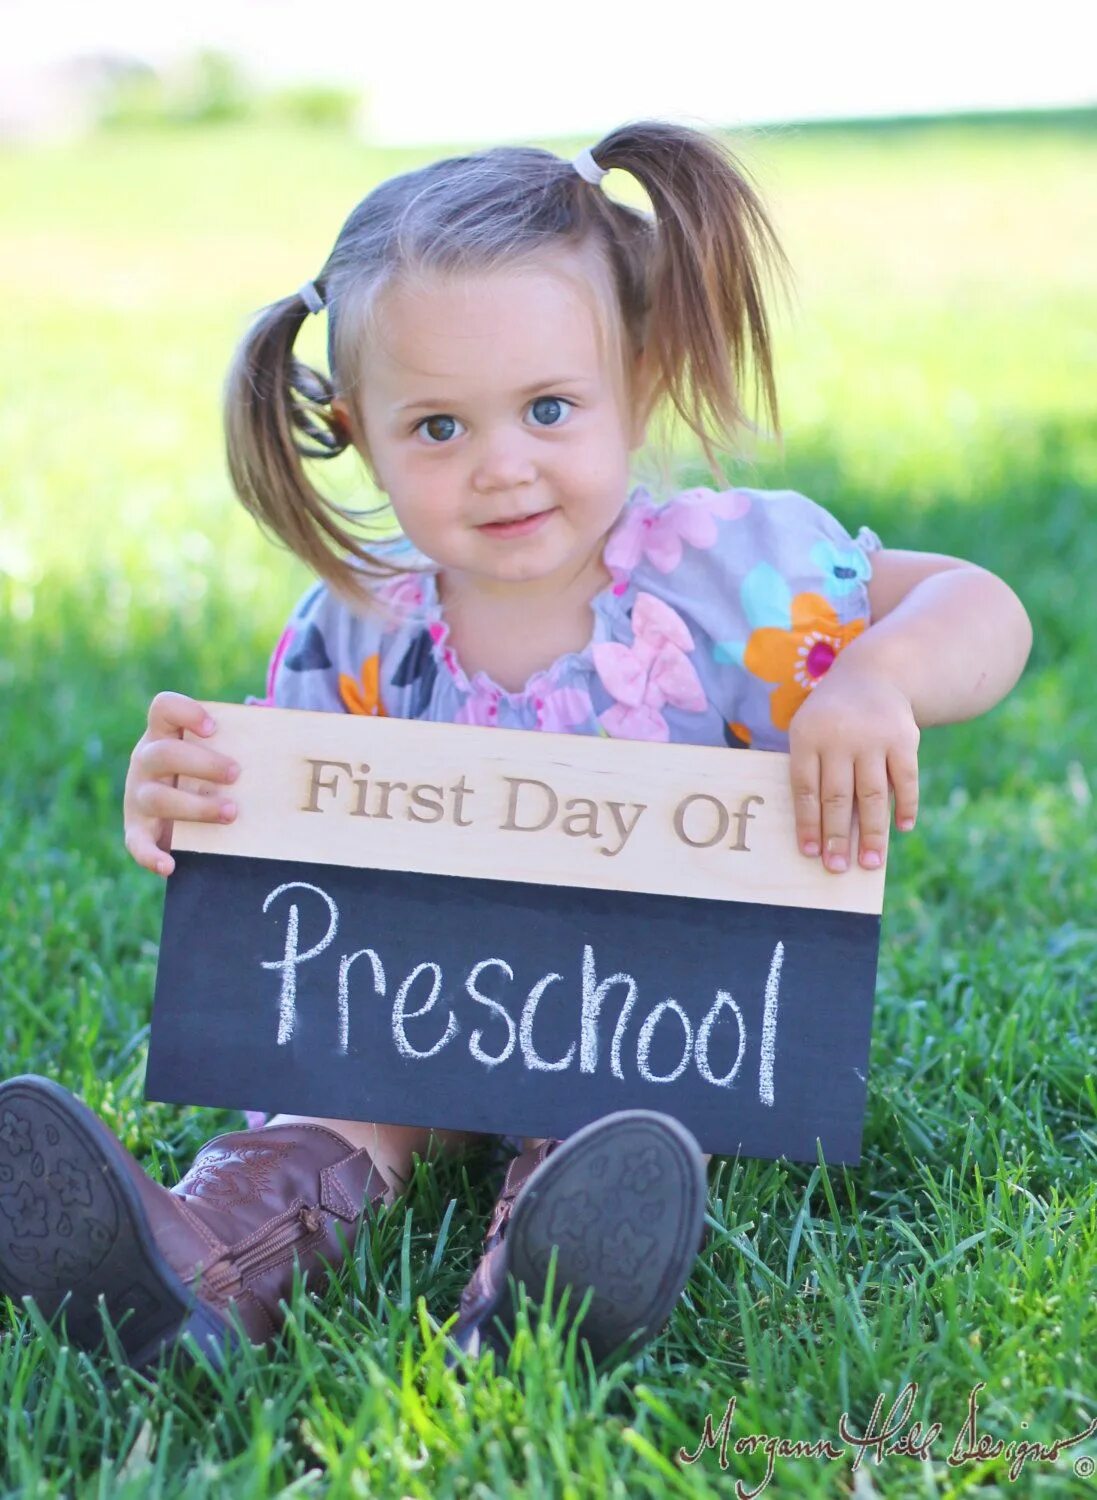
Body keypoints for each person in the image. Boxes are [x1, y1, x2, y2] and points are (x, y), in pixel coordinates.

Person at [0, 122, 1032, 1374]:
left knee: (615, 1111)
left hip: (651, 1019)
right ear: (356, 429)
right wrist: (190, 801)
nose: (501, 467)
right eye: (437, 428)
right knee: (343, 1094)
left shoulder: (732, 579)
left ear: (635, 379)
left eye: (548, 407)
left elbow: (983, 607)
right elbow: (290, 858)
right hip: (422, 1014)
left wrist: (879, 674)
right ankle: (190, 1266)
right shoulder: (358, 626)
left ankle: (542, 1295)